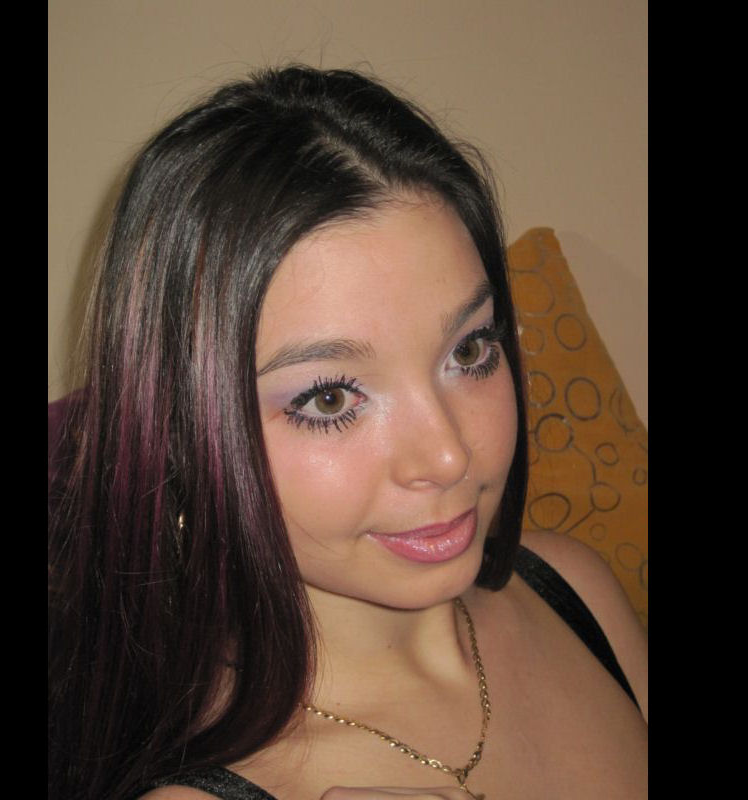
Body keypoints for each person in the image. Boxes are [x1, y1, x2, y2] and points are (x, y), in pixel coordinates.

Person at [48, 65, 648, 800]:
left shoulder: (575, 591)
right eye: (331, 398)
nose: (448, 455)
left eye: (468, 351)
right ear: (182, 436)